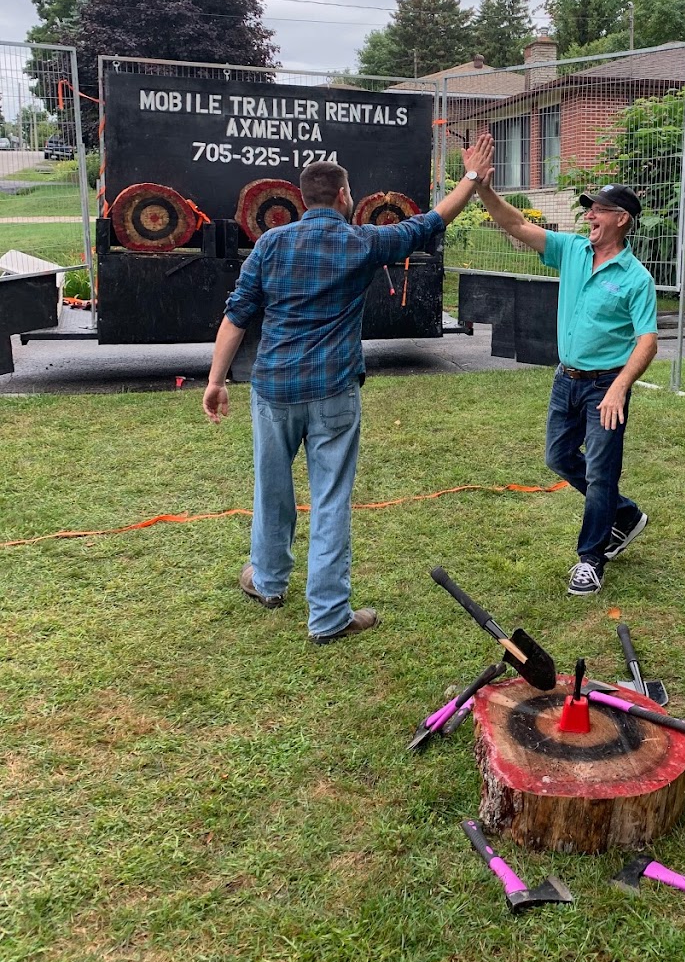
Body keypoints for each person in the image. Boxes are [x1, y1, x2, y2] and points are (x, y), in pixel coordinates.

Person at [202, 133, 495, 643]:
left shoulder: (270, 243)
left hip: (273, 389)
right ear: (342, 197)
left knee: (271, 489)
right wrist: (470, 176)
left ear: (301, 197)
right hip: (335, 390)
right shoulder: (362, 241)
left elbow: (236, 315)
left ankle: (268, 582)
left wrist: (215, 380)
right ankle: (329, 615)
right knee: (331, 499)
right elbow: (430, 223)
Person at [476, 177, 658, 595]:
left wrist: (619, 388)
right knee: (558, 458)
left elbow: (647, 341)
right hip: (566, 380)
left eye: (597, 209)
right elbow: (518, 225)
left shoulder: (635, 278)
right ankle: (625, 515)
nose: (588, 215)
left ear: (621, 219)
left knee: (600, 472)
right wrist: (483, 188)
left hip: (605, 387)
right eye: (589, 208)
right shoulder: (574, 251)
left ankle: (590, 560)